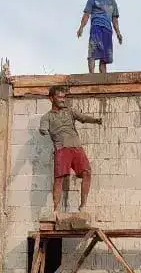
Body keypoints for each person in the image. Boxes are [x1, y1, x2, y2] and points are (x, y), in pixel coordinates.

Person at [39, 85, 102, 215]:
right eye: (59, 97)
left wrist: (96, 120)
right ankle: (56, 210)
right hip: (62, 149)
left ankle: (82, 206)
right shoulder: (47, 117)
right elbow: (43, 127)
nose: (62, 100)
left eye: (64, 97)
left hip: (76, 147)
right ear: (51, 99)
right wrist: (43, 131)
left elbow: (83, 118)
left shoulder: (70, 111)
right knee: (59, 178)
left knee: (87, 173)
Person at [76, 0, 122, 74]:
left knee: (104, 57)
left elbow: (114, 20)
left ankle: (103, 77)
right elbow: (86, 15)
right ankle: (91, 74)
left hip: (107, 29)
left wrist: (118, 33)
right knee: (93, 51)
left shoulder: (112, 2)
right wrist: (81, 27)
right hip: (96, 27)